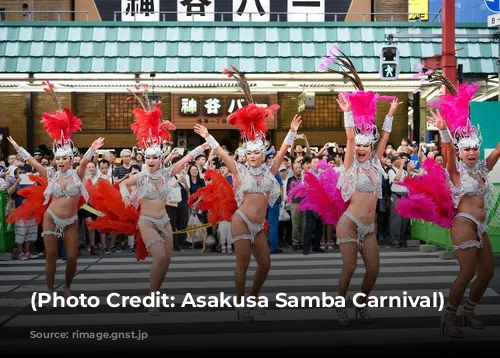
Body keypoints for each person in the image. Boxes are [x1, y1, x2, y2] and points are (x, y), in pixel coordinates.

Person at [193, 65, 301, 323]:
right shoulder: (239, 170)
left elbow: (284, 151)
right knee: (243, 262)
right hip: (241, 220)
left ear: (263, 154)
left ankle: (252, 298)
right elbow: (223, 155)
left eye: (257, 153)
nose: (253, 156)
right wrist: (209, 137)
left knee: (265, 265)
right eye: (249, 153)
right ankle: (241, 305)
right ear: (245, 154)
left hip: (259, 225)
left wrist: (292, 132)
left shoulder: (270, 169)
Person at [319, 46, 402, 327]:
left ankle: (360, 304)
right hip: (349, 222)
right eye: (361, 147)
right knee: (350, 266)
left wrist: (389, 112)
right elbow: (351, 138)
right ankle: (340, 307)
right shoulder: (351, 163)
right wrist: (347, 113)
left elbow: (386, 135)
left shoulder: (377, 162)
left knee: (374, 270)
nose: (363, 150)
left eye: (368, 146)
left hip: (370, 226)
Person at [7, 80, 104, 308]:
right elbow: (31, 161)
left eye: (64, 158)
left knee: (71, 257)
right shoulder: (50, 173)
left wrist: (92, 149)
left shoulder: (78, 174)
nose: (59, 161)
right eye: (57, 158)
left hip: (70, 220)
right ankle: (49, 290)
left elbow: (86, 161)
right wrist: (17, 148)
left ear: (70, 159)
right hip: (51, 218)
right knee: (51, 256)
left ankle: (67, 286)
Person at [118, 84, 208, 315]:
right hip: (147, 221)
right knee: (158, 257)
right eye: (147, 157)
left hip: (164, 221)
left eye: (154, 157)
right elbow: (121, 184)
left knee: (166, 261)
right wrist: (127, 195)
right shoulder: (139, 176)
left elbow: (185, 159)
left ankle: (156, 291)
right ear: (144, 158)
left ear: (160, 159)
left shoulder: (167, 173)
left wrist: (204, 147)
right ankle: (152, 298)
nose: (150, 160)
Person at [422, 75, 499, 337]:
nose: (471, 153)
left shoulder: (482, 170)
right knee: (467, 271)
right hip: (463, 222)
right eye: (467, 150)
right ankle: (450, 316)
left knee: (487, 273)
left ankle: (469, 311)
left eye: (474, 149)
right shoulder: (455, 172)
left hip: (481, 225)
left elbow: (498, 150)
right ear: (460, 150)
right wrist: (444, 128)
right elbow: (449, 151)